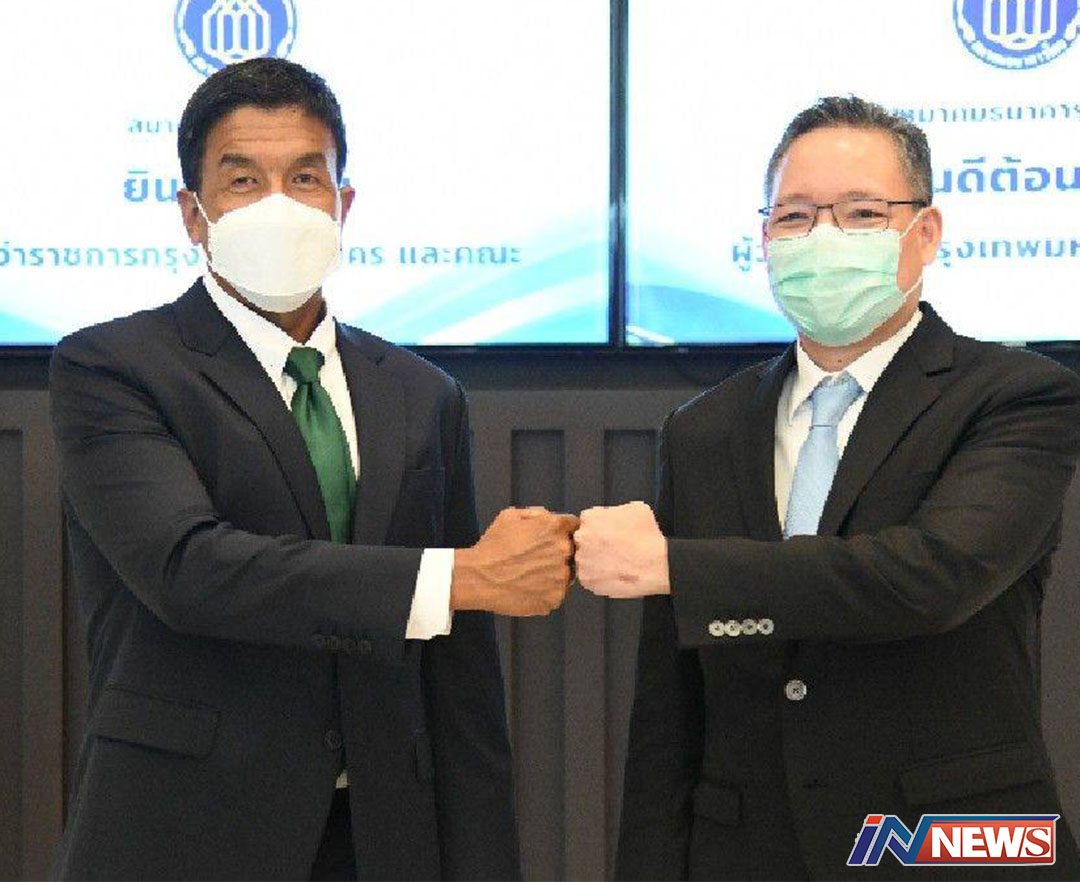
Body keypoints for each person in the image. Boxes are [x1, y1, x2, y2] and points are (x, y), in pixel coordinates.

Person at [50, 57, 577, 881]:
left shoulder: (421, 393)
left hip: (383, 837)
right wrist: (456, 578)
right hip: (183, 833)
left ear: (343, 204)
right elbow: (189, 569)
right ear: (192, 214)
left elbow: (460, 688)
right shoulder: (113, 368)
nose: (279, 206)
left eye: (304, 178)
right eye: (242, 181)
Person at [574, 96, 1080, 879]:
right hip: (745, 851)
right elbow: (670, 710)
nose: (824, 239)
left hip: (943, 846)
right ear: (765, 240)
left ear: (925, 234)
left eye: (862, 214)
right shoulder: (703, 427)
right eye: (796, 217)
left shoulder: (1014, 396)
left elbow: (931, 578)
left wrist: (677, 566)